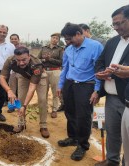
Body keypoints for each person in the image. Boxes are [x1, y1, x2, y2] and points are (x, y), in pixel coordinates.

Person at [94, 4, 129, 166]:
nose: (117, 28)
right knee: (113, 132)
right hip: (111, 98)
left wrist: (120, 73)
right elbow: (100, 63)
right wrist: (103, 72)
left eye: (120, 23)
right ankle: (112, 161)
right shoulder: (112, 42)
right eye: (114, 24)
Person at [57, 23, 103, 161]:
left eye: (70, 39)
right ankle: (72, 138)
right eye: (66, 40)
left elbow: (99, 70)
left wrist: (97, 90)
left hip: (86, 86)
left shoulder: (95, 46)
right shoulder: (69, 49)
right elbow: (65, 68)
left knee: (83, 116)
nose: (68, 42)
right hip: (70, 85)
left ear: (79, 34)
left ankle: (82, 145)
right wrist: (60, 85)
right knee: (69, 111)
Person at [0, 46, 50, 138]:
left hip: (39, 77)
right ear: (15, 57)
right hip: (23, 76)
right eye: (18, 60)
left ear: (29, 57)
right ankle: (21, 123)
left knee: (42, 100)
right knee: (20, 99)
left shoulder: (36, 64)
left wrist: (25, 106)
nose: (21, 63)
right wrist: (9, 90)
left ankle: (43, 125)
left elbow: (32, 87)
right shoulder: (10, 60)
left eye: (24, 60)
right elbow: (2, 77)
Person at [38, 33, 64, 118]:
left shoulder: (60, 49)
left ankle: (54, 109)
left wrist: (50, 59)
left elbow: (61, 62)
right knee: (43, 92)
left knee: (55, 92)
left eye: (57, 38)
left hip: (55, 71)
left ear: (58, 40)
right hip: (44, 71)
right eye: (53, 38)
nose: (55, 39)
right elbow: (38, 60)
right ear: (50, 38)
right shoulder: (44, 48)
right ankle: (43, 108)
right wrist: (44, 59)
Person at [7, 34, 22, 113]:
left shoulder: (22, 48)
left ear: (18, 39)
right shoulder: (7, 48)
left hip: (21, 72)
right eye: (12, 39)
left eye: (15, 39)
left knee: (20, 90)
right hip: (12, 72)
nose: (13, 40)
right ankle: (12, 106)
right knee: (12, 89)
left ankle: (20, 106)